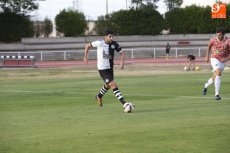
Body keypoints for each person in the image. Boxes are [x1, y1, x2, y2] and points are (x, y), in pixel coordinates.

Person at [84, 29, 133, 111]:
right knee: (113, 85)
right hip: (102, 69)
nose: (111, 38)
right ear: (105, 36)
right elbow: (87, 45)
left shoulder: (114, 44)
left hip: (110, 68)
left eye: (112, 36)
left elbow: (122, 53)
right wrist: (85, 57)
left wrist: (122, 63)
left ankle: (98, 96)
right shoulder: (99, 43)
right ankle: (125, 104)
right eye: (110, 36)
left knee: (108, 85)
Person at [202, 27, 230, 100]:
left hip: (223, 60)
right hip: (214, 58)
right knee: (218, 71)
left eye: (220, 35)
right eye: (217, 35)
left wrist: (227, 59)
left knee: (215, 76)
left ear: (223, 35)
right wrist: (207, 56)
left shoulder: (228, 41)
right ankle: (217, 94)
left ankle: (206, 85)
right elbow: (209, 46)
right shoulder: (213, 40)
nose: (218, 36)